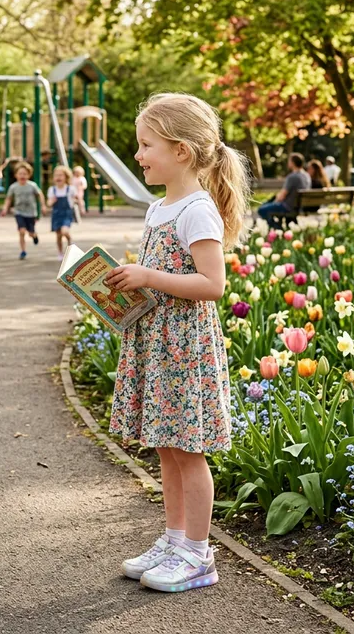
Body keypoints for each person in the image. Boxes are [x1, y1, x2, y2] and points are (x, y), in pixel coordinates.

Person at [105, 92, 249, 593]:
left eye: (147, 145)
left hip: (184, 347)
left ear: (182, 151)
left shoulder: (197, 210)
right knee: (167, 448)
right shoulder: (158, 207)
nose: (139, 155)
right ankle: (173, 539)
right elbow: (162, 275)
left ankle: (198, 554)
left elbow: (212, 286)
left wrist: (148, 275)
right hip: (158, 341)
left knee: (188, 451)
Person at [0, 161, 46, 260]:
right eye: (20, 173)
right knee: (21, 231)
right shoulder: (13, 187)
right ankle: (23, 251)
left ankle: (34, 235)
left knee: (30, 233)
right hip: (19, 212)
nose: (22, 175)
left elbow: (40, 194)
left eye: (25, 174)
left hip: (31, 213)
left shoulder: (32, 185)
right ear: (16, 175)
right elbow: (8, 199)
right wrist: (5, 208)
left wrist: (43, 205)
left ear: (29, 175)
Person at [256, 153, 311, 227]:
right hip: (299, 206)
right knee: (266, 205)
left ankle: (278, 229)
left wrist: (273, 203)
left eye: (289, 161)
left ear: (292, 163)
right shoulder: (307, 176)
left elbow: (282, 196)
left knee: (261, 209)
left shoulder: (292, 177)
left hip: (288, 207)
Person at [47, 164, 77, 259]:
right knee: (58, 235)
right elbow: (49, 202)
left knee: (64, 231)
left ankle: (69, 241)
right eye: (56, 175)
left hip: (66, 213)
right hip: (56, 214)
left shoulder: (70, 189)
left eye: (61, 175)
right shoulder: (52, 190)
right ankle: (60, 252)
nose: (58, 177)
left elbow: (76, 198)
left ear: (66, 177)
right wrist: (51, 202)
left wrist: (79, 202)